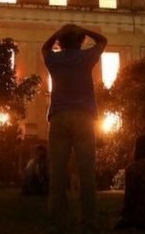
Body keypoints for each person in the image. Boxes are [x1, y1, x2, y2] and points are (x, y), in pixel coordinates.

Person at [42, 23, 107, 233]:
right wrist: (83, 29)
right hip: (84, 117)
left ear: (61, 42)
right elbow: (103, 41)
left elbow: (44, 47)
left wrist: (59, 31)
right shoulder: (86, 58)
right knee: (86, 171)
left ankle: (56, 221)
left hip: (59, 116)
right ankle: (88, 222)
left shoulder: (54, 59)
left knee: (58, 172)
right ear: (80, 42)